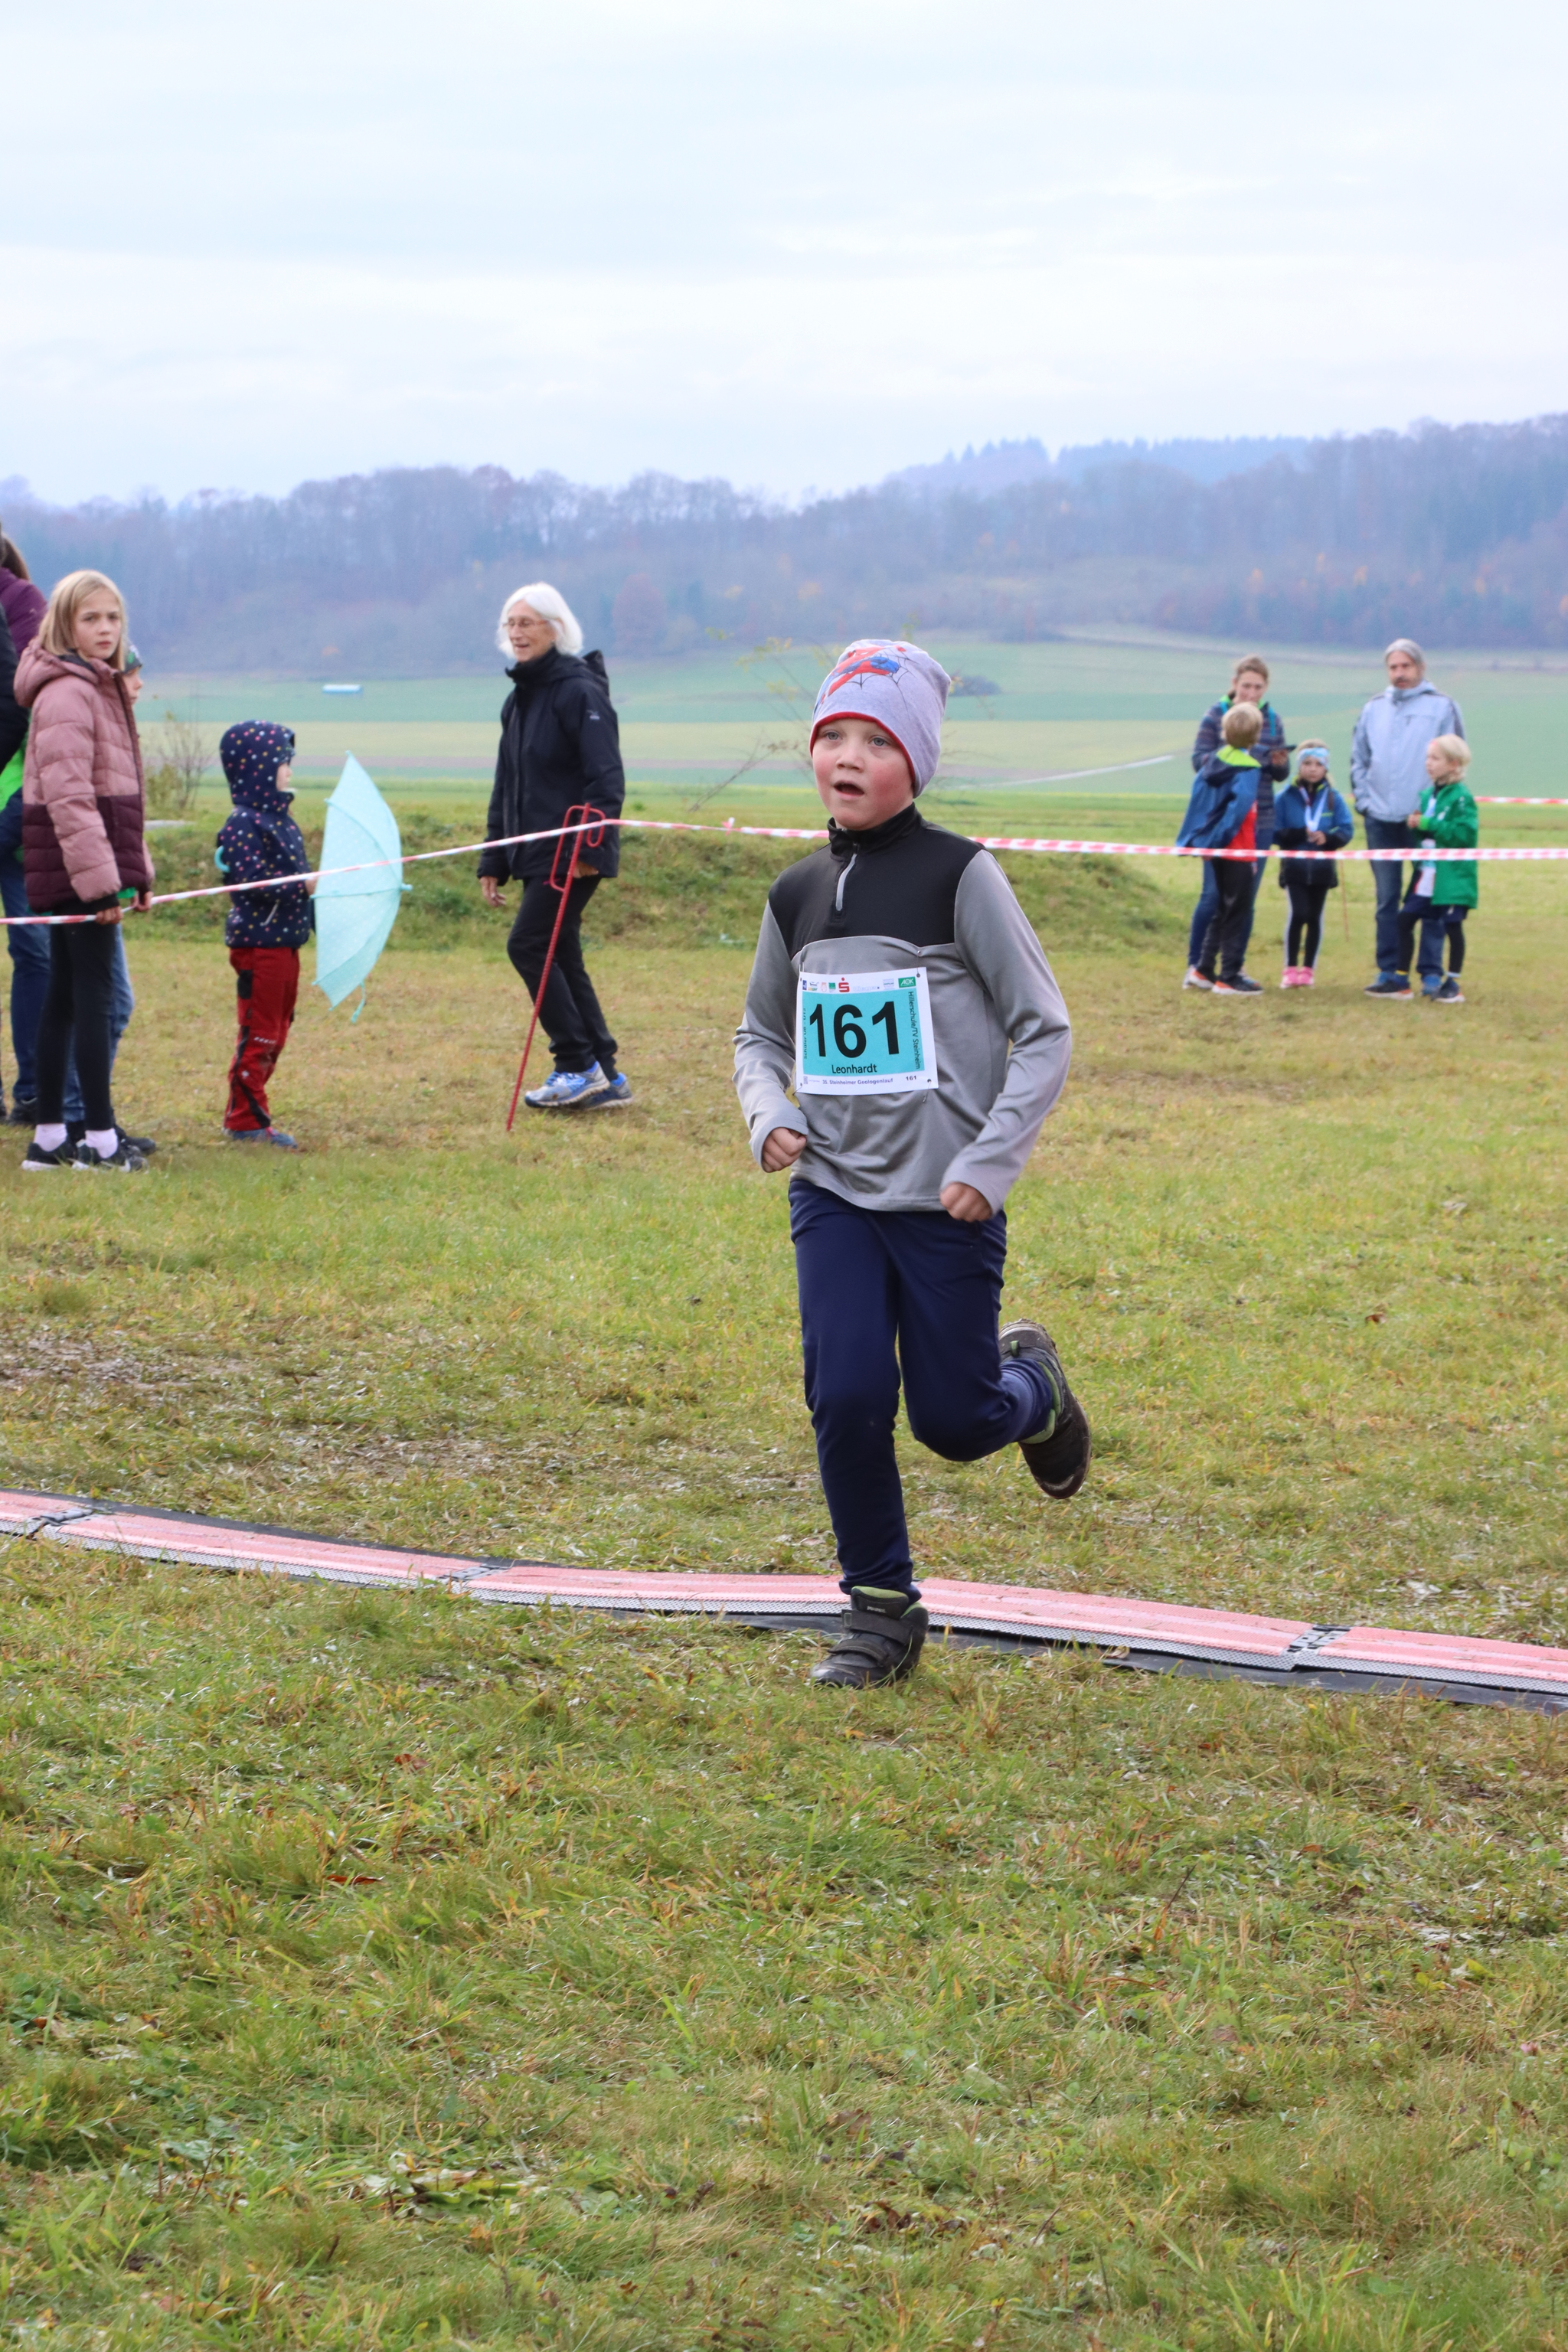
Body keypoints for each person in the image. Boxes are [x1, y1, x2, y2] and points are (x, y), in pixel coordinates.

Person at [733, 639, 1088, 1692]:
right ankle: (880, 1609)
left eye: (877, 741)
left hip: (945, 1201)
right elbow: (759, 1034)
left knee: (954, 1422)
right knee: (845, 1393)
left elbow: (1045, 1028)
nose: (847, 756)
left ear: (917, 763)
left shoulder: (959, 876)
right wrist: (768, 1113)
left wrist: (990, 1159)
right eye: (832, 736)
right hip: (834, 1192)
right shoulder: (795, 893)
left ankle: (1036, 1391)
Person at [14, 570, 152, 1172]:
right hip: (77, 867)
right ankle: (98, 1141)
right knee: (93, 997)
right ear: (65, 624)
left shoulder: (97, 686)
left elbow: (117, 794)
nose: (105, 629)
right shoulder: (69, 693)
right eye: (91, 618)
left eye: (113, 618)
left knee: (67, 996)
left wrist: (136, 875)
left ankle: (49, 1141)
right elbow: (71, 800)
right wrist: (101, 886)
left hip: (89, 863)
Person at [478, 583, 631, 1110]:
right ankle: (605, 1073)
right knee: (559, 950)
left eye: (527, 622)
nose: (517, 633)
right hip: (534, 853)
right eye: (511, 624)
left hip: (573, 852)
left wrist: (588, 848)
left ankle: (575, 1064)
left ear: (556, 629)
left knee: (528, 944)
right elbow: (506, 784)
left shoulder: (579, 692)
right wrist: (493, 857)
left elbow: (606, 778)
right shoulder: (518, 700)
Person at [61, 645, 149, 1152]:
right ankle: (81, 1119)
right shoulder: (83, 720)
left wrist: (137, 877)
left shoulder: (118, 730)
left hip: (104, 884)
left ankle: (91, 1116)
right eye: (132, 675)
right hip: (85, 889)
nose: (138, 685)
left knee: (105, 1004)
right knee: (101, 1004)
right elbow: (83, 808)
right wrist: (103, 888)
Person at [216, 721, 313, 1147]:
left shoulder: (283, 821)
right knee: (260, 1031)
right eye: (282, 762)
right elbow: (252, 881)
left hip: (287, 942)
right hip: (260, 945)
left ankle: (247, 1112)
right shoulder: (243, 823)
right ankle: (245, 1120)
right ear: (257, 768)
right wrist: (302, 886)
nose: (289, 770)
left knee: (279, 1030)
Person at [1351, 639, 1465, 996]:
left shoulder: (1442, 707)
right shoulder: (1373, 709)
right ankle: (1389, 972)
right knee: (1386, 900)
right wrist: (1365, 802)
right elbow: (1359, 759)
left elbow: (1455, 759)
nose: (1399, 673)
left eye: (1406, 666)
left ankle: (1430, 973)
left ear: (1420, 668)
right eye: (1393, 667)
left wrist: (1436, 808)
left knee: (1430, 899)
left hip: (1424, 823)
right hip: (1380, 820)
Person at [1183, 655, 1289, 989]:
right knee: (1213, 896)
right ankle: (1198, 966)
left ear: (1266, 687)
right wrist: (1241, 759)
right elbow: (1199, 761)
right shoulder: (1215, 715)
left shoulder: (1273, 721)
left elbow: (1281, 774)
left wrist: (1277, 763)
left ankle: (1233, 967)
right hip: (1221, 821)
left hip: (1261, 820)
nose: (1251, 693)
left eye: (1258, 687)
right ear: (1234, 684)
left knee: (1245, 899)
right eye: (1246, 686)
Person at [0, 526, 50, 1122]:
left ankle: (35, 1089)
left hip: (17, 811)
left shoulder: (25, 609)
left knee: (34, 948)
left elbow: (33, 720)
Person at [1178, 703, 1263, 994]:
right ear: (1256, 736)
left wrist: (1206, 841)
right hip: (1237, 849)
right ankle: (1230, 975)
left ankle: (1203, 969)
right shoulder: (1248, 768)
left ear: (1225, 732)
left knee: (1221, 909)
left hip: (1216, 849)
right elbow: (1240, 809)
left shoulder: (1213, 762)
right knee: (1237, 912)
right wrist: (1222, 840)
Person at [1393, 735, 1476, 1003]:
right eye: (1427, 758)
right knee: (1405, 919)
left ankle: (1452, 984)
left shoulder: (1461, 797)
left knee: (1452, 926)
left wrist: (1429, 824)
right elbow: (1427, 833)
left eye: (1435, 758)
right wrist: (1417, 826)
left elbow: (1464, 835)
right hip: (1426, 874)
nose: (1428, 763)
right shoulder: (1428, 794)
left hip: (1450, 875)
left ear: (1453, 764)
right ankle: (1400, 980)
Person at [1272, 741, 1353, 987]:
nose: (1313, 769)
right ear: (1299, 766)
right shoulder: (1285, 797)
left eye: (1319, 764)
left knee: (1315, 917)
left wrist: (1328, 838)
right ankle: (1290, 969)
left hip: (1322, 868)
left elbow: (1346, 829)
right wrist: (1299, 834)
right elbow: (1274, 831)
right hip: (1294, 867)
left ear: (1326, 767)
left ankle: (1308, 970)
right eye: (1307, 763)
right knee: (1299, 914)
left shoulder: (1333, 798)